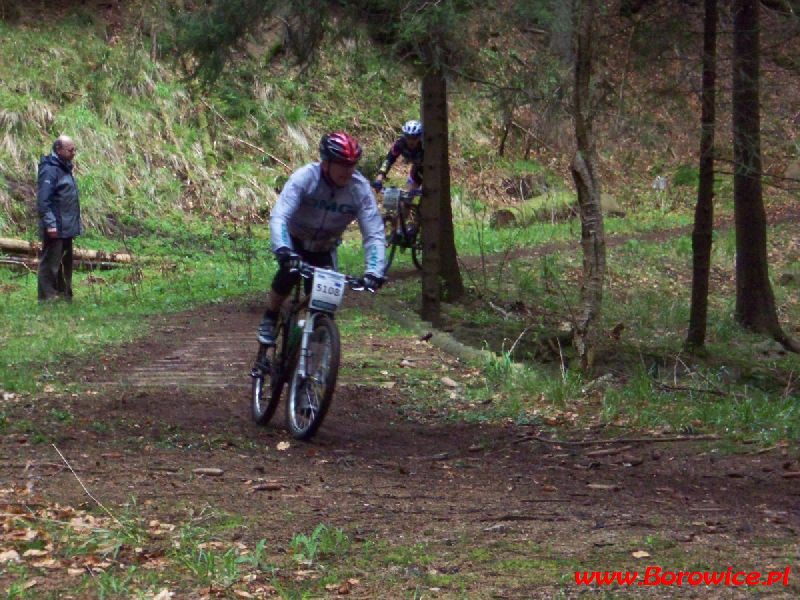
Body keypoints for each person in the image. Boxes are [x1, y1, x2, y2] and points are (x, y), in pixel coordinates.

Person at [256, 132, 386, 345]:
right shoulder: (306, 177)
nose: (348, 170)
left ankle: (313, 358)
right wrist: (283, 249)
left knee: (323, 309)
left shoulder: (359, 188)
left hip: (324, 248)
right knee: (287, 274)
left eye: (352, 165)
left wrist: (375, 270)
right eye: (342, 164)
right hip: (295, 241)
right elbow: (280, 215)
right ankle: (271, 316)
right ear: (326, 163)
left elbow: (374, 233)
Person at [37, 135, 82, 302]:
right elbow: (44, 200)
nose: (73, 153)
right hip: (55, 226)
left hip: (66, 226)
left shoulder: (65, 168)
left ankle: (64, 295)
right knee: (50, 263)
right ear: (58, 150)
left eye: (74, 149)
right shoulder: (50, 170)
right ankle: (46, 297)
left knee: (65, 263)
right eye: (70, 150)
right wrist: (50, 224)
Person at [372, 119, 424, 193]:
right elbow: (388, 160)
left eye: (414, 137)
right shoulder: (400, 144)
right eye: (408, 136)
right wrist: (379, 179)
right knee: (407, 196)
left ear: (419, 137)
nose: (411, 141)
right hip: (417, 170)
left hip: (432, 171)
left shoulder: (424, 145)